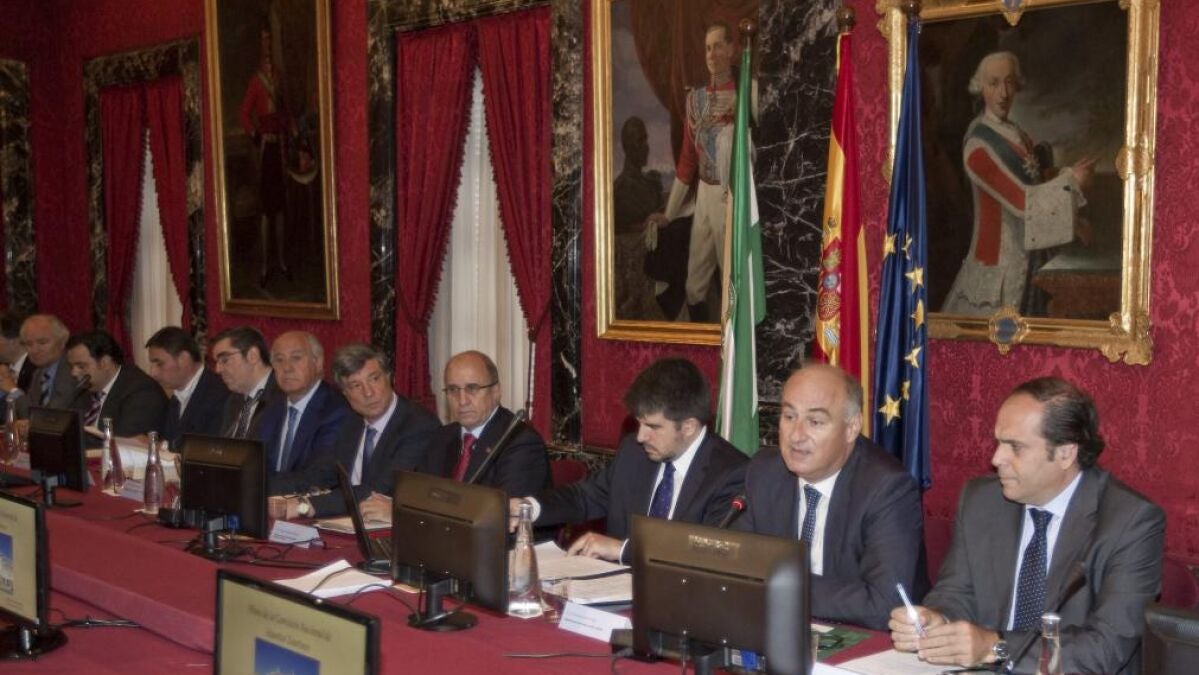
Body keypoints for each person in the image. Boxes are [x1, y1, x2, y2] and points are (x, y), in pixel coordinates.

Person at [889, 377, 1164, 674]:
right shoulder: (981, 500)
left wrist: (996, 647)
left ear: (1065, 453)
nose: (997, 458)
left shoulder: (1130, 521)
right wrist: (938, 621)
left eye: (1015, 447)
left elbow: (1106, 647)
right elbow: (956, 593)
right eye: (998, 442)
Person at [734, 363, 927, 630]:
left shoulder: (887, 488)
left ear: (851, 428)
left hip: (868, 641)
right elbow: (737, 565)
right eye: (789, 416)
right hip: (781, 629)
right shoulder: (764, 472)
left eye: (814, 422)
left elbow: (884, 604)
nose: (796, 436)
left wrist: (783, 586)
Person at [510, 358, 747, 563]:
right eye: (639, 423)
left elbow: (709, 554)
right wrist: (528, 508)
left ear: (688, 427)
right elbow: (584, 497)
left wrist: (622, 550)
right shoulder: (634, 453)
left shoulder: (731, 474)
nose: (641, 436)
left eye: (653, 427)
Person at [941, 52, 1095, 317]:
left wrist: (1071, 216)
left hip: (1030, 256)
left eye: (1009, 82)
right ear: (980, 87)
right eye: (994, 83)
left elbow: (1035, 183)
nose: (1003, 93)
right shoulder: (978, 146)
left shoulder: (1015, 132)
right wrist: (1072, 181)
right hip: (999, 270)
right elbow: (1024, 202)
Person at [646, 22, 752, 322]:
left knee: (733, 280)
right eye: (707, 48)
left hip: (733, 195)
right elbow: (687, 162)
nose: (712, 54)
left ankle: (734, 342)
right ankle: (704, 340)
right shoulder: (695, 100)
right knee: (694, 286)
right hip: (704, 195)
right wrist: (669, 214)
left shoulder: (747, 93)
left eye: (718, 46)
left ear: (731, 49)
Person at [269, 343, 439, 519]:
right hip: (347, 521)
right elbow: (320, 474)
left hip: (389, 528)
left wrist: (304, 506)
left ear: (389, 377)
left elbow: (378, 490)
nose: (368, 393)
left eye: (374, 379)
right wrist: (260, 487)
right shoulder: (350, 421)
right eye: (356, 385)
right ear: (345, 393)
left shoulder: (418, 426)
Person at [416, 351, 549, 496]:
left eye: (472, 388)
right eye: (453, 390)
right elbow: (420, 495)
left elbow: (506, 506)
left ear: (496, 391)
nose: (462, 401)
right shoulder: (441, 437)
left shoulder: (521, 442)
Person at [240, 26, 292, 287]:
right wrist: (255, 135)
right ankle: (264, 266)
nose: (267, 46)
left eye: (270, 41)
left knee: (280, 210)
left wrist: (291, 132)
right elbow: (243, 114)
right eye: (263, 41)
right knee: (265, 211)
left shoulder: (280, 78)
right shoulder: (255, 81)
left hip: (280, 149)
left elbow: (286, 111)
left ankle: (281, 261)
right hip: (265, 152)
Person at [255, 331, 348, 475]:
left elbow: (319, 475)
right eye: (279, 360)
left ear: (318, 363)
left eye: (296, 358)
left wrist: (260, 485)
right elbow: (254, 462)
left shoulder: (335, 410)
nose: (287, 368)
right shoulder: (271, 407)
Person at [65, 330, 167, 446]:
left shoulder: (142, 392)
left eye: (81, 366)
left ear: (105, 363)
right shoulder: (83, 391)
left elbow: (122, 444)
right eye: (71, 366)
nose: (73, 373)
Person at [145, 326, 231, 448]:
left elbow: (208, 449)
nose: (152, 373)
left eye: (159, 364)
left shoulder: (219, 394)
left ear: (183, 359)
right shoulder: (177, 396)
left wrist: (158, 446)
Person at [211, 326, 280, 439]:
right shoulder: (234, 400)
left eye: (225, 360)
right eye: (217, 362)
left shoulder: (282, 396)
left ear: (253, 355)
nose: (217, 369)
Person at [13, 314, 80, 419]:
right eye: (29, 344)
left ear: (62, 342)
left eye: (42, 342)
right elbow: (29, 414)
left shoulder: (72, 370)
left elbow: (50, 417)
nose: (35, 350)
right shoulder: (39, 373)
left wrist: (13, 390)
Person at [0, 310, 34, 403]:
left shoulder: (36, 369)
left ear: (14, 340)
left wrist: (13, 390)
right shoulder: (4, 368)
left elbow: (35, 408)